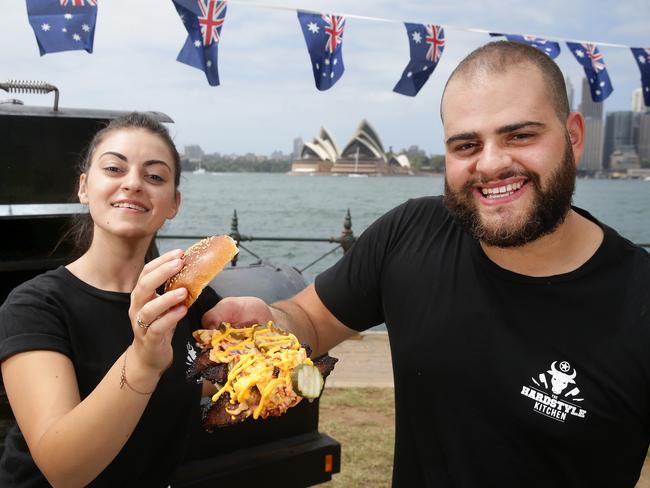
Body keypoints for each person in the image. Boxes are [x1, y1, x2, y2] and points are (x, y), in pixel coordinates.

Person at [206, 41, 650, 487]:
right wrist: (269, 323)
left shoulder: (640, 300)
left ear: (574, 135)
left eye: (520, 135)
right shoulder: (410, 231)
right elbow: (310, 319)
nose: (491, 163)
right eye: (466, 145)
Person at [0, 113, 220, 486]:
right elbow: (63, 470)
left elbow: (220, 379)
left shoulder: (188, 297)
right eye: (115, 169)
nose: (133, 184)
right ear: (84, 187)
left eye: (154, 176)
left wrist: (258, 337)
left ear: (173, 203)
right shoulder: (34, 306)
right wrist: (143, 361)